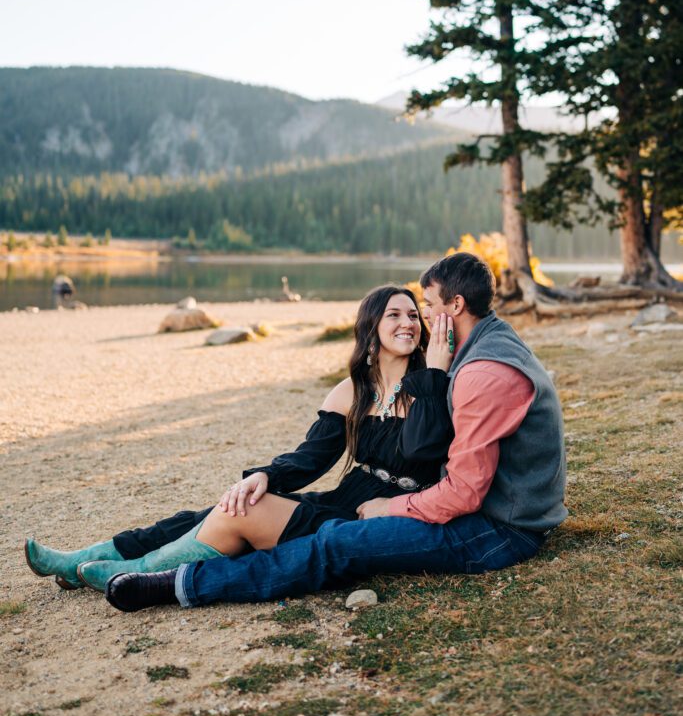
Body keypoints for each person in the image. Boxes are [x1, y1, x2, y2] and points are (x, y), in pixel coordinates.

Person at [103, 251, 568, 613]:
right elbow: (314, 455)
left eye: (424, 307)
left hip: (500, 530)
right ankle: (127, 558)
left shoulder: (479, 370)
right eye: (405, 312)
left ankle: (181, 584)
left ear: (456, 306)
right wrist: (268, 473)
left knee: (338, 542)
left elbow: (463, 492)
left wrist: (393, 505)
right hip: (496, 510)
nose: (420, 319)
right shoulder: (485, 346)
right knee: (266, 513)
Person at [25, 285, 455, 593]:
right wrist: (265, 475)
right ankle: (91, 558)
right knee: (225, 504)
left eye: (413, 314)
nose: (407, 323)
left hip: (385, 515)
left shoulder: (433, 385)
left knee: (241, 511)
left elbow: (424, 449)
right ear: (371, 328)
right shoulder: (351, 392)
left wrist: (434, 375)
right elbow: (309, 459)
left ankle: (136, 572)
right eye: (393, 315)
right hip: (347, 497)